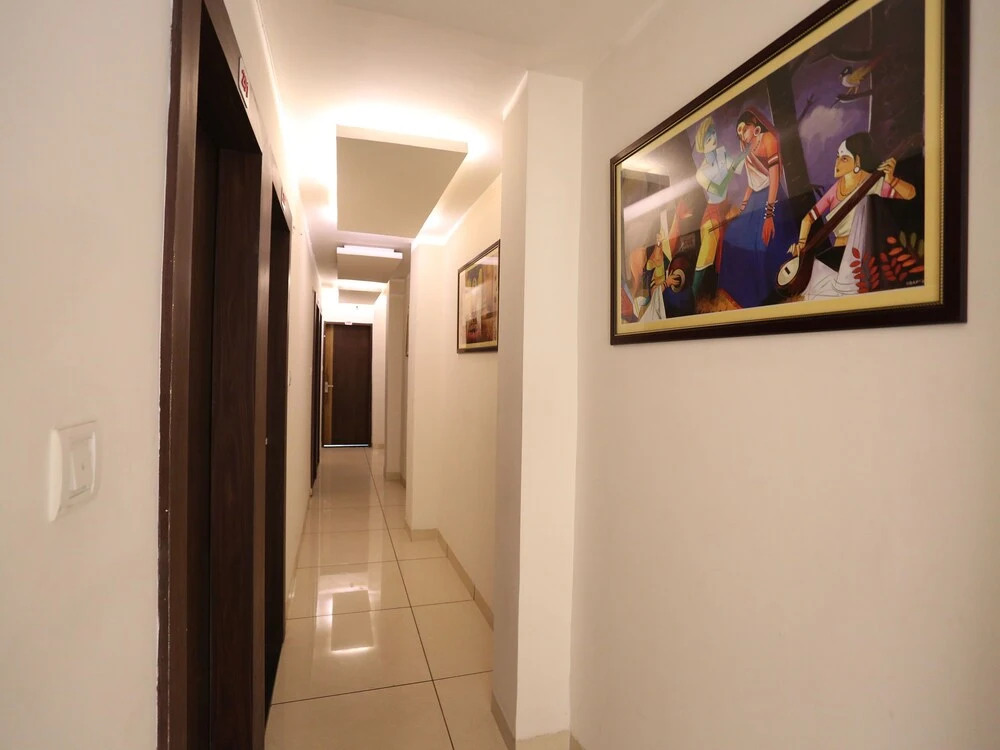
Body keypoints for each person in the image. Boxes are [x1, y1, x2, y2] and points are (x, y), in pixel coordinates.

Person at [792, 132, 916, 299]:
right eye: (837, 157)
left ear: (857, 161)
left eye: (844, 158)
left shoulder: (873, 183)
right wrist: (801, 244)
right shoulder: (836, 189)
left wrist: (891, 180)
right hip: (836, 255)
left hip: (861, 253)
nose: (836, 163)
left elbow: (910, 194)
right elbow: (808, 218)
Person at [716, 107, 797, 308]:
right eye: (739, 132)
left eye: (744, 129)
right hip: (755, 199)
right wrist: (743, 207)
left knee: (761, 242)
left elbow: (774, 179)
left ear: (755, 126)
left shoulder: (769, 139)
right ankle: (741, 291)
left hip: (772, 198)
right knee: (732, 235)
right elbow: (752, 184)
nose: (741, 134)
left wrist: (769, 216)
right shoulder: (747, 150)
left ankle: (766, 294)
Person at [692, 116, 746, 297]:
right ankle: (694, 293)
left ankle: (729, 284)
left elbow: (739, 166)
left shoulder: (723, 153)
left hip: (727, 205)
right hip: (713, 211)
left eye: (713, 133)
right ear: (702, 144)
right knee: (708, 250)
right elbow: (720, 188)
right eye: (708, 137)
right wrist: (733, 167)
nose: (713, 138)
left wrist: (747, 151)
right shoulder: (700, 173)